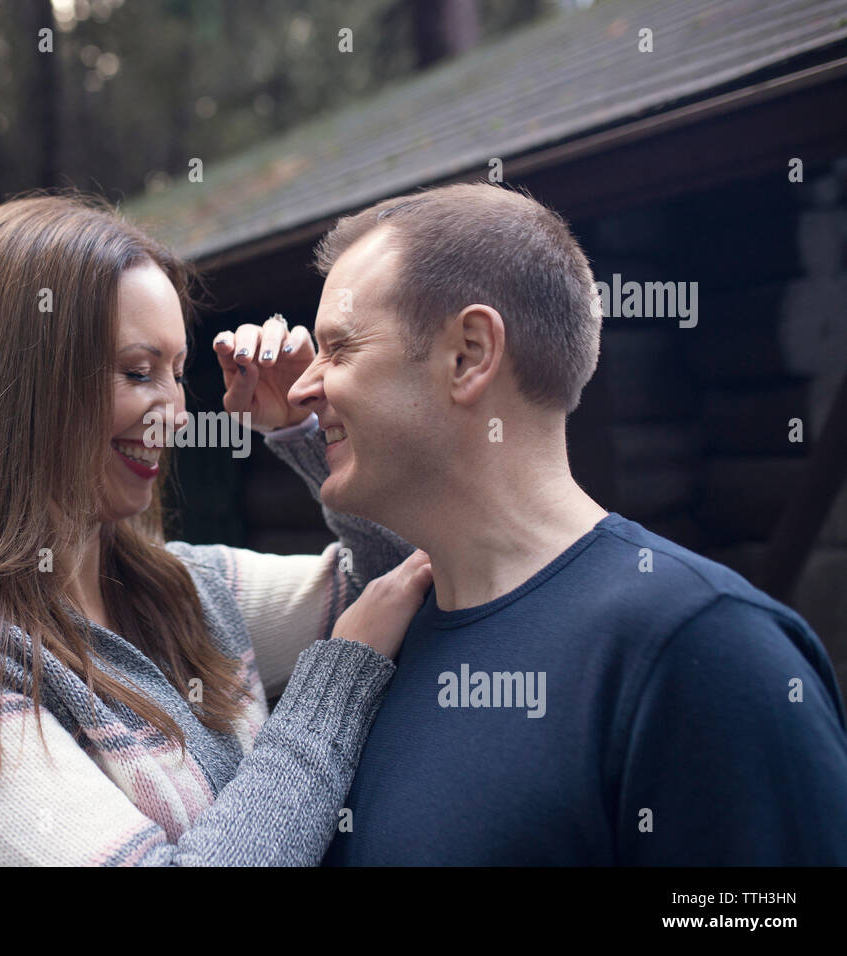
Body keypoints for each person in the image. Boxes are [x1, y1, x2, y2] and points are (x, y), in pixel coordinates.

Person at [0, 192, 432, 865]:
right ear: (17, 381)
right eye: (136, 372)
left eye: (177, 375)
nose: (175, 415)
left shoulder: (190, 589)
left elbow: (402, 582)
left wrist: (306, 430)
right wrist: (333, 691)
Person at [268, 182, 847, 865]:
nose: (304, 387)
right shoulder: (379, 644)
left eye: (339, 350)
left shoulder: (706, 647)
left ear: (469, 354)